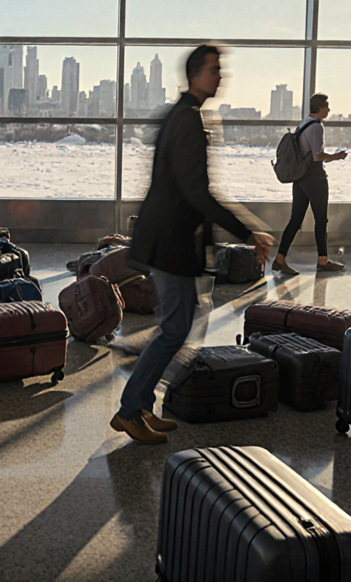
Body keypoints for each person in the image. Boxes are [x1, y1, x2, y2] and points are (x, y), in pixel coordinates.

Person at [117, 45, 274, 445]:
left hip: (170, 237)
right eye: (214, 69)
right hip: (171, 240)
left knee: (177, 324)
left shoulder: (181, 115)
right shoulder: (187, 120)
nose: (221, 76)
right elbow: (197, 193)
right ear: (195, 75)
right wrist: (248, 232)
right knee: (175, 328)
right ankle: (130, 409)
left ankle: (138, 405)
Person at [273, 92, 347, 275]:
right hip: (314, 177)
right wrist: (337, 156)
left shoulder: (303, 124)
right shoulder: (317, 127)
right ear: (320, 108)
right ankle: (322, 261)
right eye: (327, 107)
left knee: (295, 220)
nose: (328, 110)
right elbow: (317, 156)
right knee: (321, 220)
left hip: (300, 178)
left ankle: (280, 259)